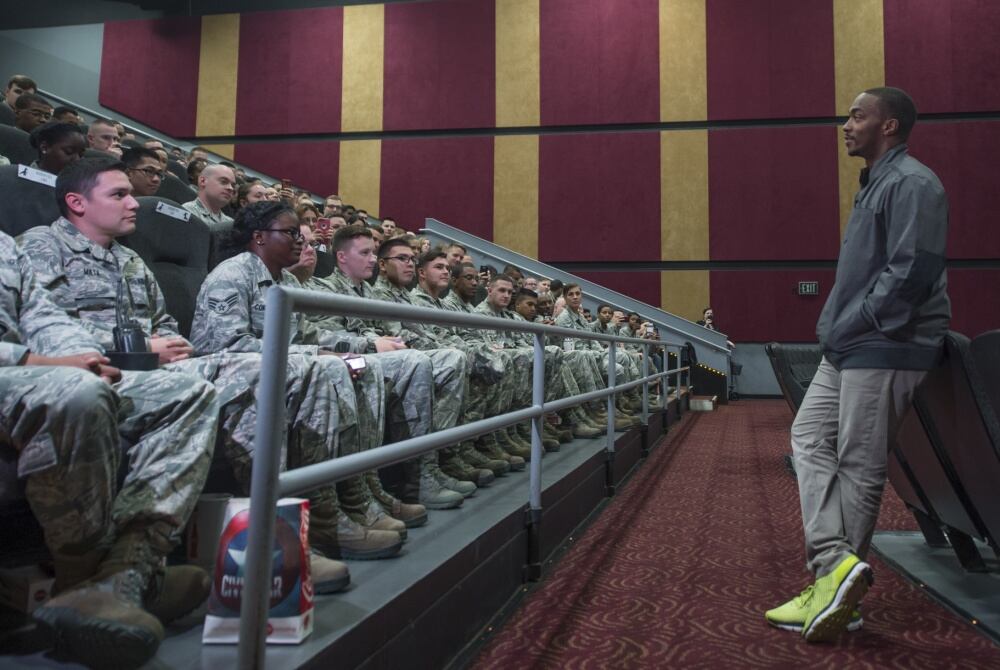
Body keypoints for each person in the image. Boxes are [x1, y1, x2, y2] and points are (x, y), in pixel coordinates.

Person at [19, 158, 380, 576]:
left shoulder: (131, 261)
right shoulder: (41, 247)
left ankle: (309, 520)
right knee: (258, 371)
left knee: (302, 369)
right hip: (89, 373)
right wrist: (141, 347)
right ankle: (271, 540)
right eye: (119, 195)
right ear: (77, 202)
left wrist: (169, 346)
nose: (134, 203)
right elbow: (40, 332)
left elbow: (166, 326)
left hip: (157, 372)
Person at [766, 87, 950, 642]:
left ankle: (834, 588)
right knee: (808, 436)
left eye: (856, 115)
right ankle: (834, 567)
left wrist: (852, 323)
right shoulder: (876, 182)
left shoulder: (914, 183)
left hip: (888, 343)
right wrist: (837, 326)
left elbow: (910, 275)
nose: (845, 124)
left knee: (860, 463)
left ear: (889, 126)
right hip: (850, 343)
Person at [193, 206, 431, 528]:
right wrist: (314, 354)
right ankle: (322, 516)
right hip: (230, 374)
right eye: (290, 233)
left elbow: (309, 334)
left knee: (365, 365)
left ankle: (360, 490)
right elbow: (226, 346)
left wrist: (363, 346)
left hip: (284, 367)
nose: (300, 242)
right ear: (259, 237)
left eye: (299, 234)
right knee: (328, 368)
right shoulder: (231, 274)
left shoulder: (287, 280)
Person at [182, 163, 236, 232]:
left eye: (233, 185)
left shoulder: (231, 224)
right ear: (203, 181)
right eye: (223, 182)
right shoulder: (186, 212)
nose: (230, 188)